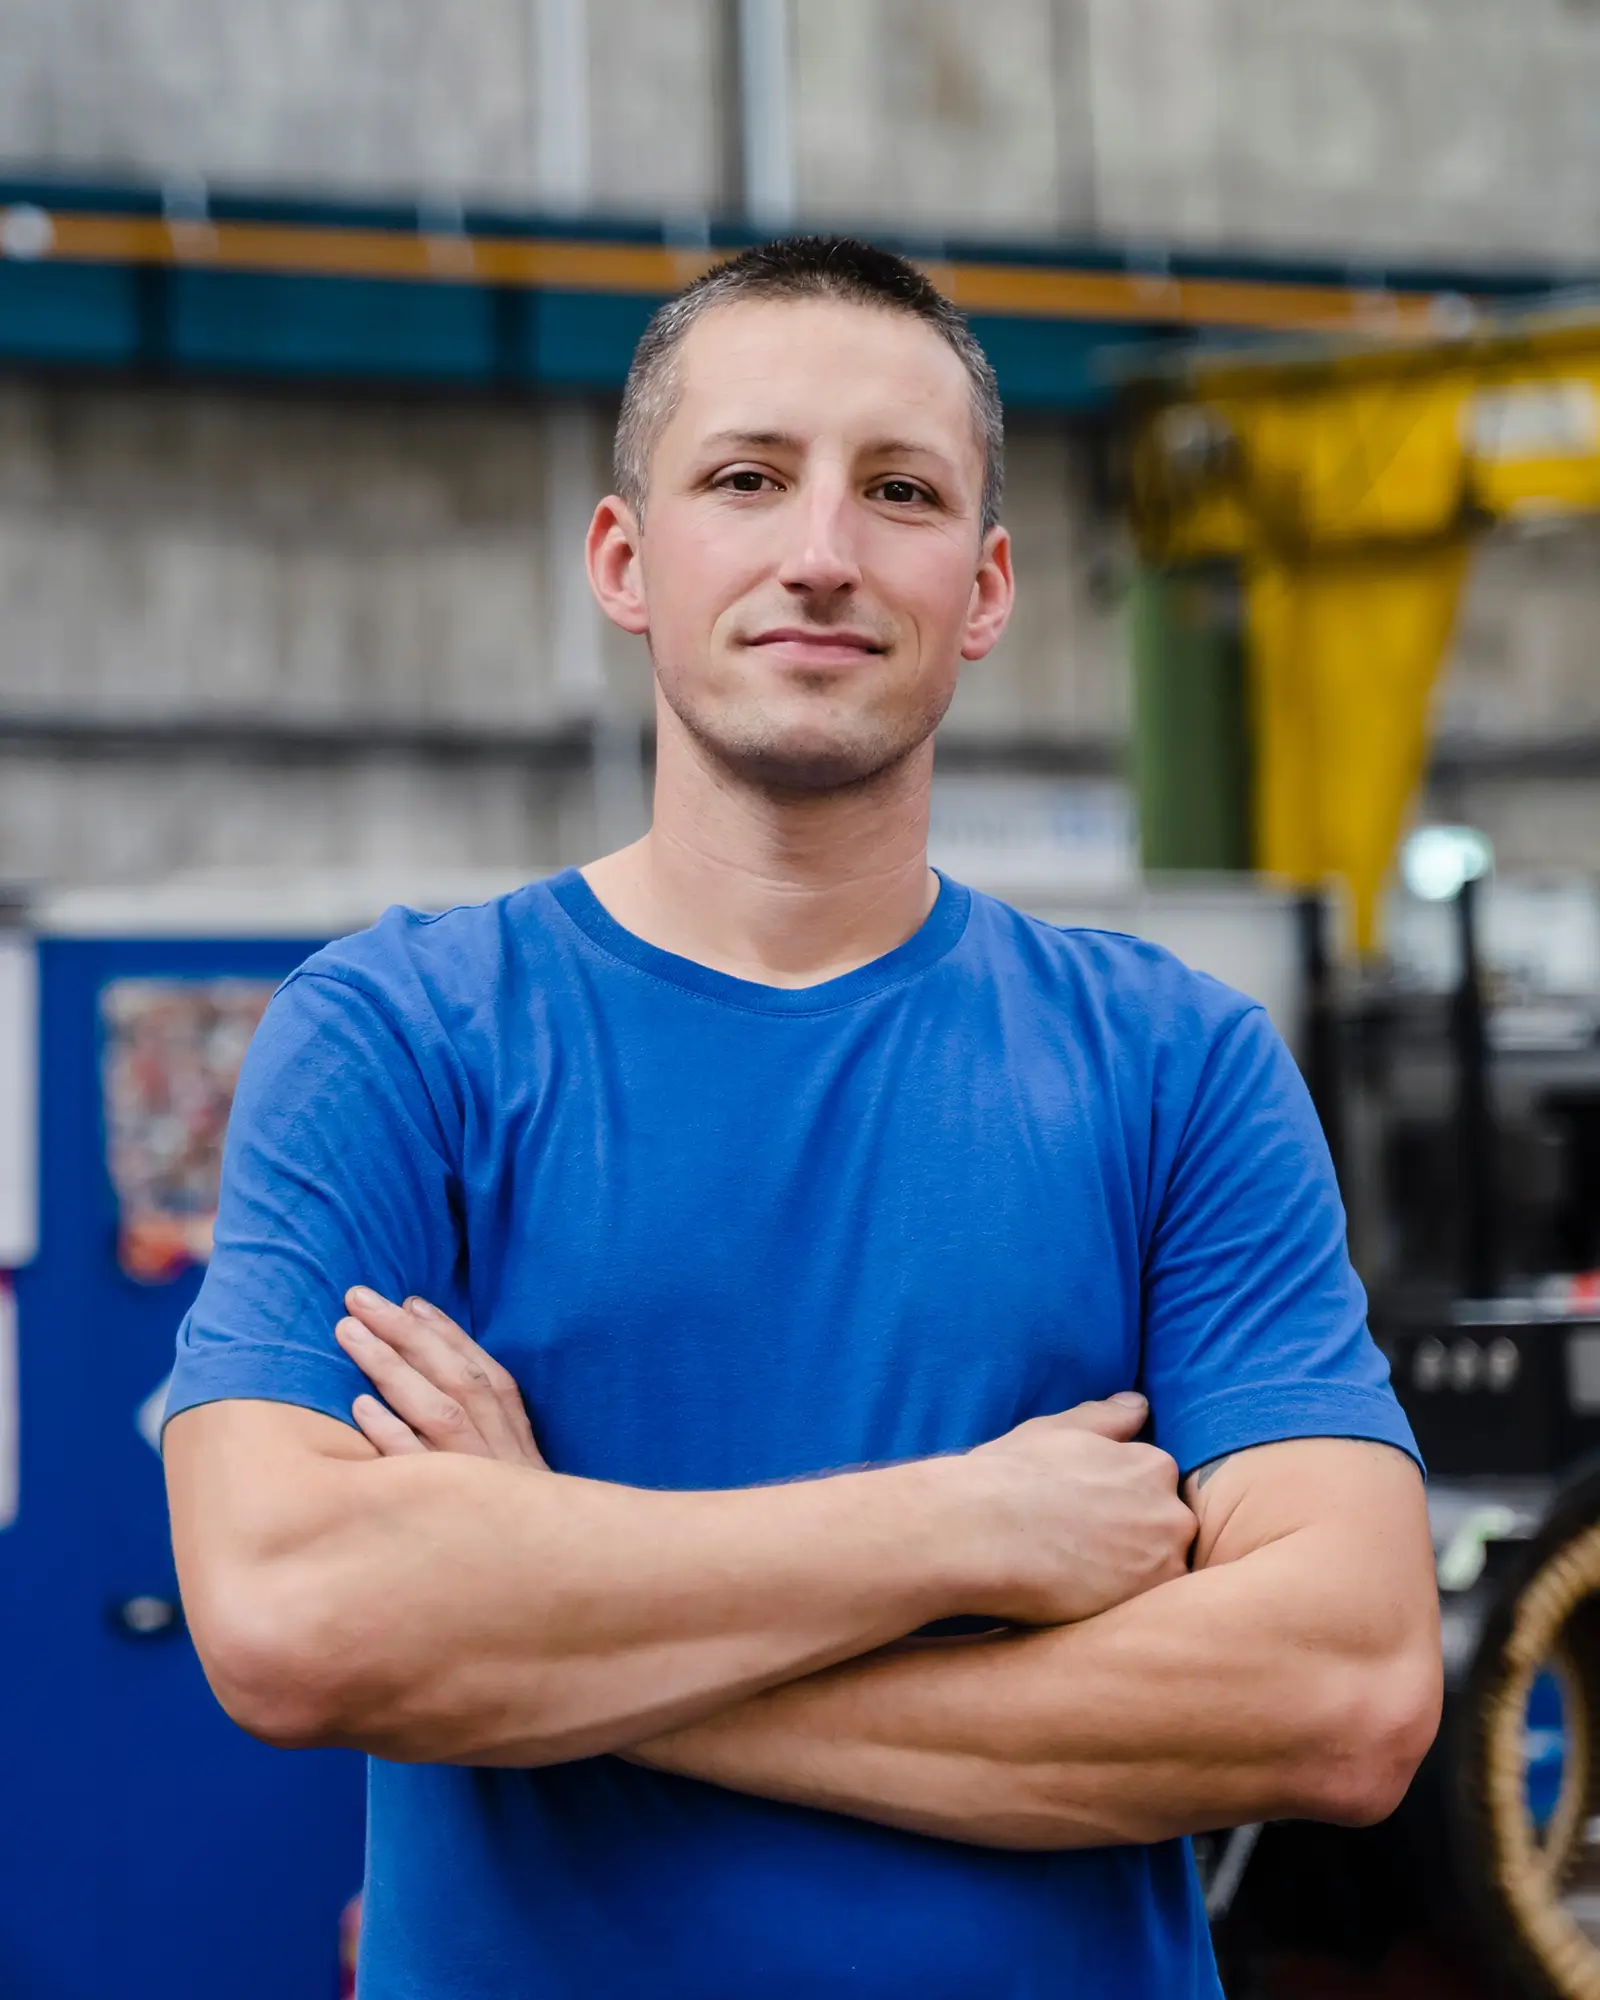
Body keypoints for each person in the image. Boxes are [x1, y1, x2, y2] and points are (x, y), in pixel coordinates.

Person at [163, 236, 1440, 2000]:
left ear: (987, 589)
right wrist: (966, 1531)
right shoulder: (401, 1038)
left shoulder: (1176, 1066)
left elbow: (1347, 1692)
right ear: (628, 557)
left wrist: (546, 1597)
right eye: (748, 479)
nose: (821, 554)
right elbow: (295, 1623)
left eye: (898, 492)